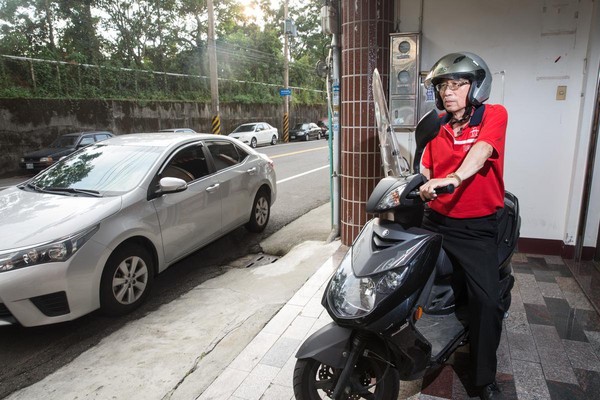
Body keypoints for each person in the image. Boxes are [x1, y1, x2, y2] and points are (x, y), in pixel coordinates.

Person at [419, 52, 508, 400]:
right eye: (443, 85)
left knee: (487, 302)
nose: (448, 92)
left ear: (476, 86)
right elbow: (424, 168)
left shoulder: (493, 115)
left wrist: (453, 178)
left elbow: (483, 150)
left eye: (457, 84)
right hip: (436, 222)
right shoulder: (435, 125)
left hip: (475, 228)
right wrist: (411, 187)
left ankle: (484, 378)